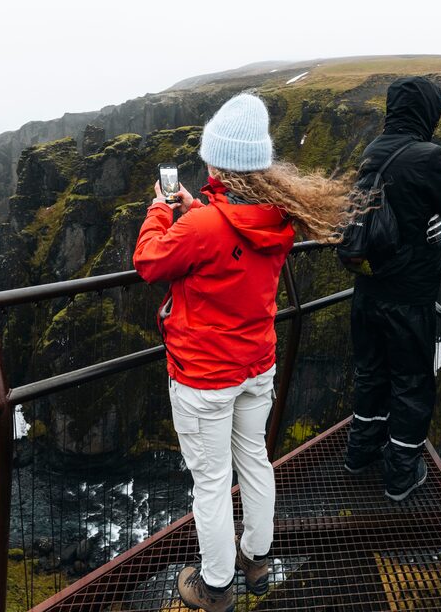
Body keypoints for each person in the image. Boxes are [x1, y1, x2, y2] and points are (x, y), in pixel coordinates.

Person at [132, 93, 354, 612]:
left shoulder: (204, 225)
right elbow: (233, 233)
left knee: (210, 481)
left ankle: (214, 587)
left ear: (220, 161)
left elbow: (149, 262)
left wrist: (160, 211)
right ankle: (256, 560)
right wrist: (200, 209)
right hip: (257, 365)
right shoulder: (278, 215)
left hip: (205, 374)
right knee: (254, 460)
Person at [343, 76, 441, 502]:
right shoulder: (429, 157)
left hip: (367, 290)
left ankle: (361, 450)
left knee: (371, 371)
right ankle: (401, 473)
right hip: (409, 297)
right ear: (426, 112)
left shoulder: (373, 150)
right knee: (411, 381)